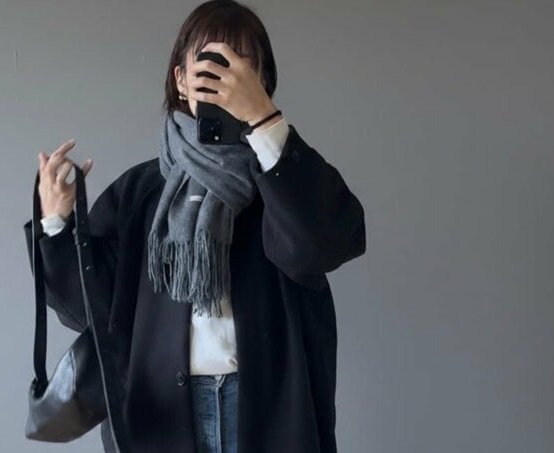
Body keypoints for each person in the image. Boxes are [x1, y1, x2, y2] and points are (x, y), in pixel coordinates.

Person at [22, 1, 366, 452]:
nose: (225, 77)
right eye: (210, 63)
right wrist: (56, 223)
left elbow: (323, 247)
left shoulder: (283, 176)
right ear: (181, 79)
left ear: (262, 80)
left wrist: (266, 123)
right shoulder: (141, 192)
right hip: (160, 415)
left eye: (241, 65)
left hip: (269, 412)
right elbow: (91, 312)